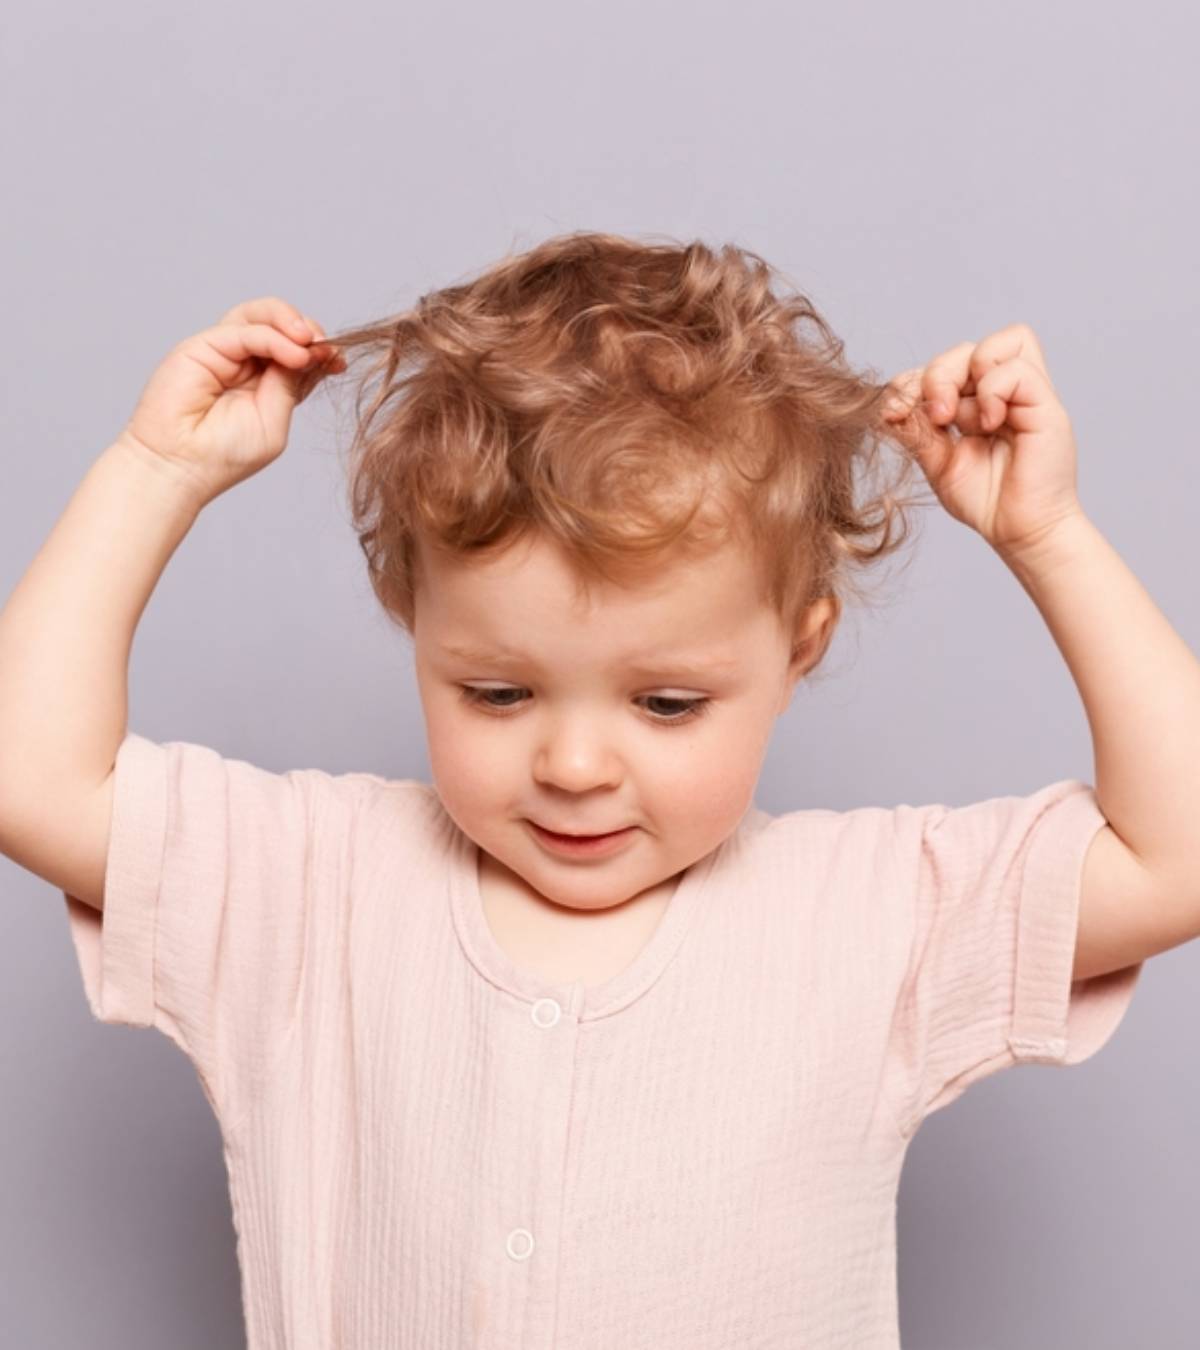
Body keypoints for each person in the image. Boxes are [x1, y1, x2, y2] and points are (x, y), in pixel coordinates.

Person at [2, 229, 1191, 1348]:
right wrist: (153, 473)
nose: (574, 768)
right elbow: (31, 778)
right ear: (414, 626)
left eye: (667, 705)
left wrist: (1052, 538)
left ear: (800, 651)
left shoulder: (875, 913)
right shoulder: (308, 887)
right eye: (498, 695)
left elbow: (1175, 860)